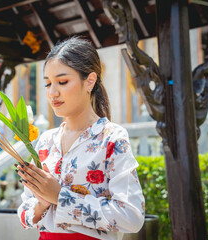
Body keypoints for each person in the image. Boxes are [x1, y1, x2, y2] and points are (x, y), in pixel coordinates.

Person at [16, 37, 145, 240]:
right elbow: (24, 213)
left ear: (90, 81)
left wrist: (60, 197)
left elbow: (132, 217)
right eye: (48, 84)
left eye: (63, 82)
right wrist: (42, 202)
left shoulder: (111, 138)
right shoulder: (45, 142)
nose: (53, 92)